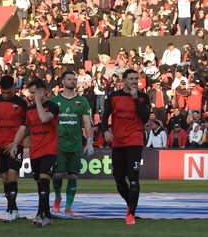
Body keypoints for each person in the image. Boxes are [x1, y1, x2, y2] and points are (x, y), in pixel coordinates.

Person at [101, 69, 150, 225]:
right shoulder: (114, 96)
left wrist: (135, 99)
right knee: (119, 180)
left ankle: (131, 214)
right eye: (131, 78)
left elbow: (145, 118)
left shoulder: (143, 97)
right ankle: (130, 203)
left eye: (136, 78)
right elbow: (105, 116)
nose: (134, 81)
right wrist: (105, 131)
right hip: (118, 142)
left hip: (135, 142)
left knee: (133, 178)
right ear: (124, 81)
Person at [9, 79, 59, 227]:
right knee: (40, 183)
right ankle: (47, 216)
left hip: (49, 149)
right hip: (35, 150)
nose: (30, 96)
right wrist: (15, 144)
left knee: (44, 178)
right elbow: (22, 130)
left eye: (33, 93)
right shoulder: (29, 111)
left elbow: (44, 118)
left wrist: (38, 101)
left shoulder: (53, 106)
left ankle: (40, 214)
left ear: (41, 92)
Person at [49, 71, 94, 217]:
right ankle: (57, 197)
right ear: (62, 82)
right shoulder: (54, 101)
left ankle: (68, 207)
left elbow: (87, 123)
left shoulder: (82, 101)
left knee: (73, 176)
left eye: (74, 79)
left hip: (75, 144)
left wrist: (90, 142)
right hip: (58, 144)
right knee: (57, 174)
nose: (72, 81)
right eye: (69, 79)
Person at [0, 75, 28, 222]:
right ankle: (14, 209)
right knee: (4, 179)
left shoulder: (21, 103)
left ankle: (9, 211)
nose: (5, 95)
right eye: (3, 92)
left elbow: (27, 125)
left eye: (8, 92)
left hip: (15, 145)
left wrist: (16, 142)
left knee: (12, 175)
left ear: (14, 89)